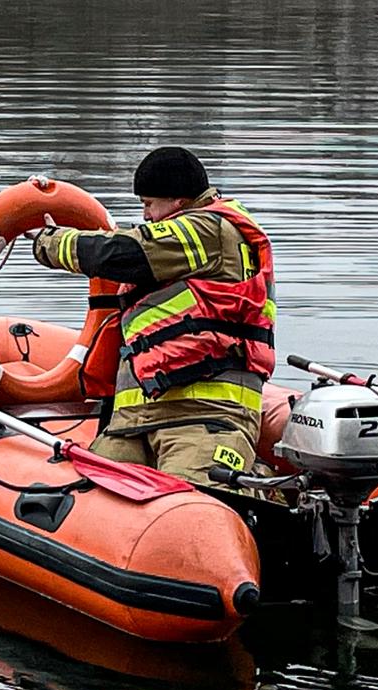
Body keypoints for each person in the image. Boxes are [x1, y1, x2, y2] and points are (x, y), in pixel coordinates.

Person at [30, 147, 276, 486]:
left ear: (176, 200)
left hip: (205, 416)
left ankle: (262, 489)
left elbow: (121, 252)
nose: (145, 215)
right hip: (136, 420)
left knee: (192, 506)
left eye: (148, 204)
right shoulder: (187, 240)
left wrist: (48, 242)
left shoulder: (206, 230)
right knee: (87, 496)